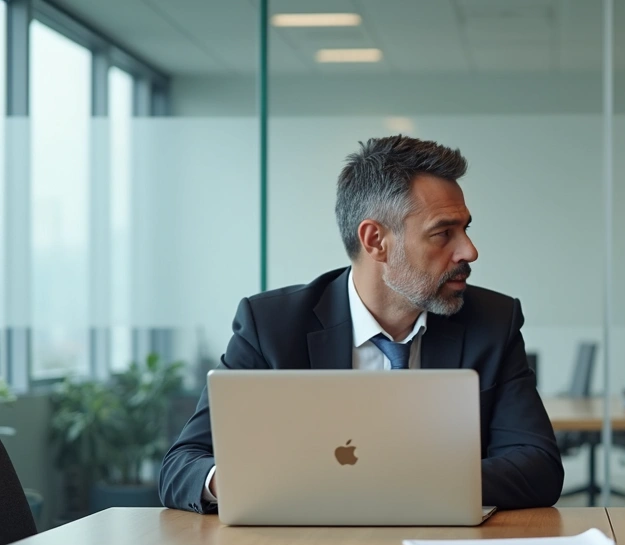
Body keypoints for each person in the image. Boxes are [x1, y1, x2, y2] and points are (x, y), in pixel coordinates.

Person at [159, 135, 564, 513]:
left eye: (465, 229)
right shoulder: (271, 325)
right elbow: (183, 465)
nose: (469, 251)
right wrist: (235, 482)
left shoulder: (492, 322)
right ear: (375, 241)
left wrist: (384, 481)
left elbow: (539, 468)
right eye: (443, 234)